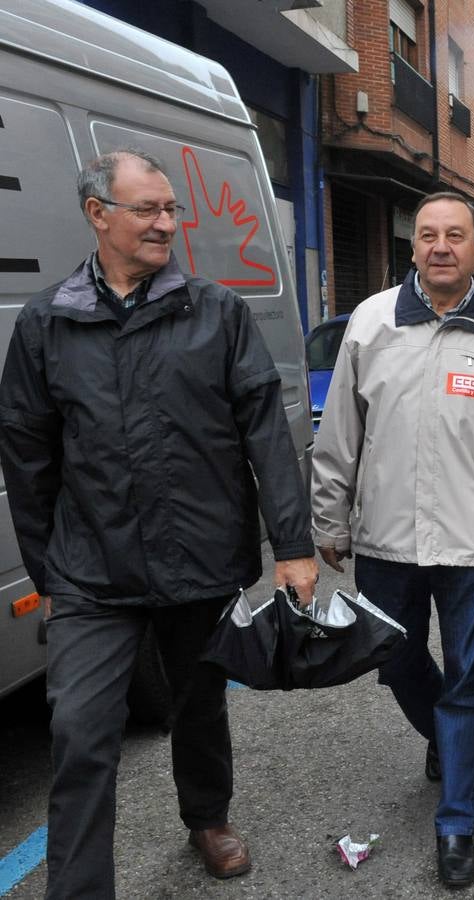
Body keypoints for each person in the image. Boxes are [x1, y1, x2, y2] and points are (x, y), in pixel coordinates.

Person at [0, 148, 318, 898]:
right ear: (97, 214)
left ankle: (207, 816)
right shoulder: (47, 323)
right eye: (147, 209)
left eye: (172, 209)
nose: (166, 224)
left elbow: (266, 436)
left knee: (199, 702)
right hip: (92, 571)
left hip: (200, 555)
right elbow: (27, 454)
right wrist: (51, 571)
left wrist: (294, 545)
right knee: (79, 731)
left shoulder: (216, 312)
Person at [310, 192, 474, 888]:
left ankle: (457, 822)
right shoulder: (371, 322)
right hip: (385, 538)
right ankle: (446, 737)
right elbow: (340, 431)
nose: (441, 246)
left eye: (455, 236)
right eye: (429, 235)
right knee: (392, 661)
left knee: (469, 680)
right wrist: (329, 518)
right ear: (413, 248)